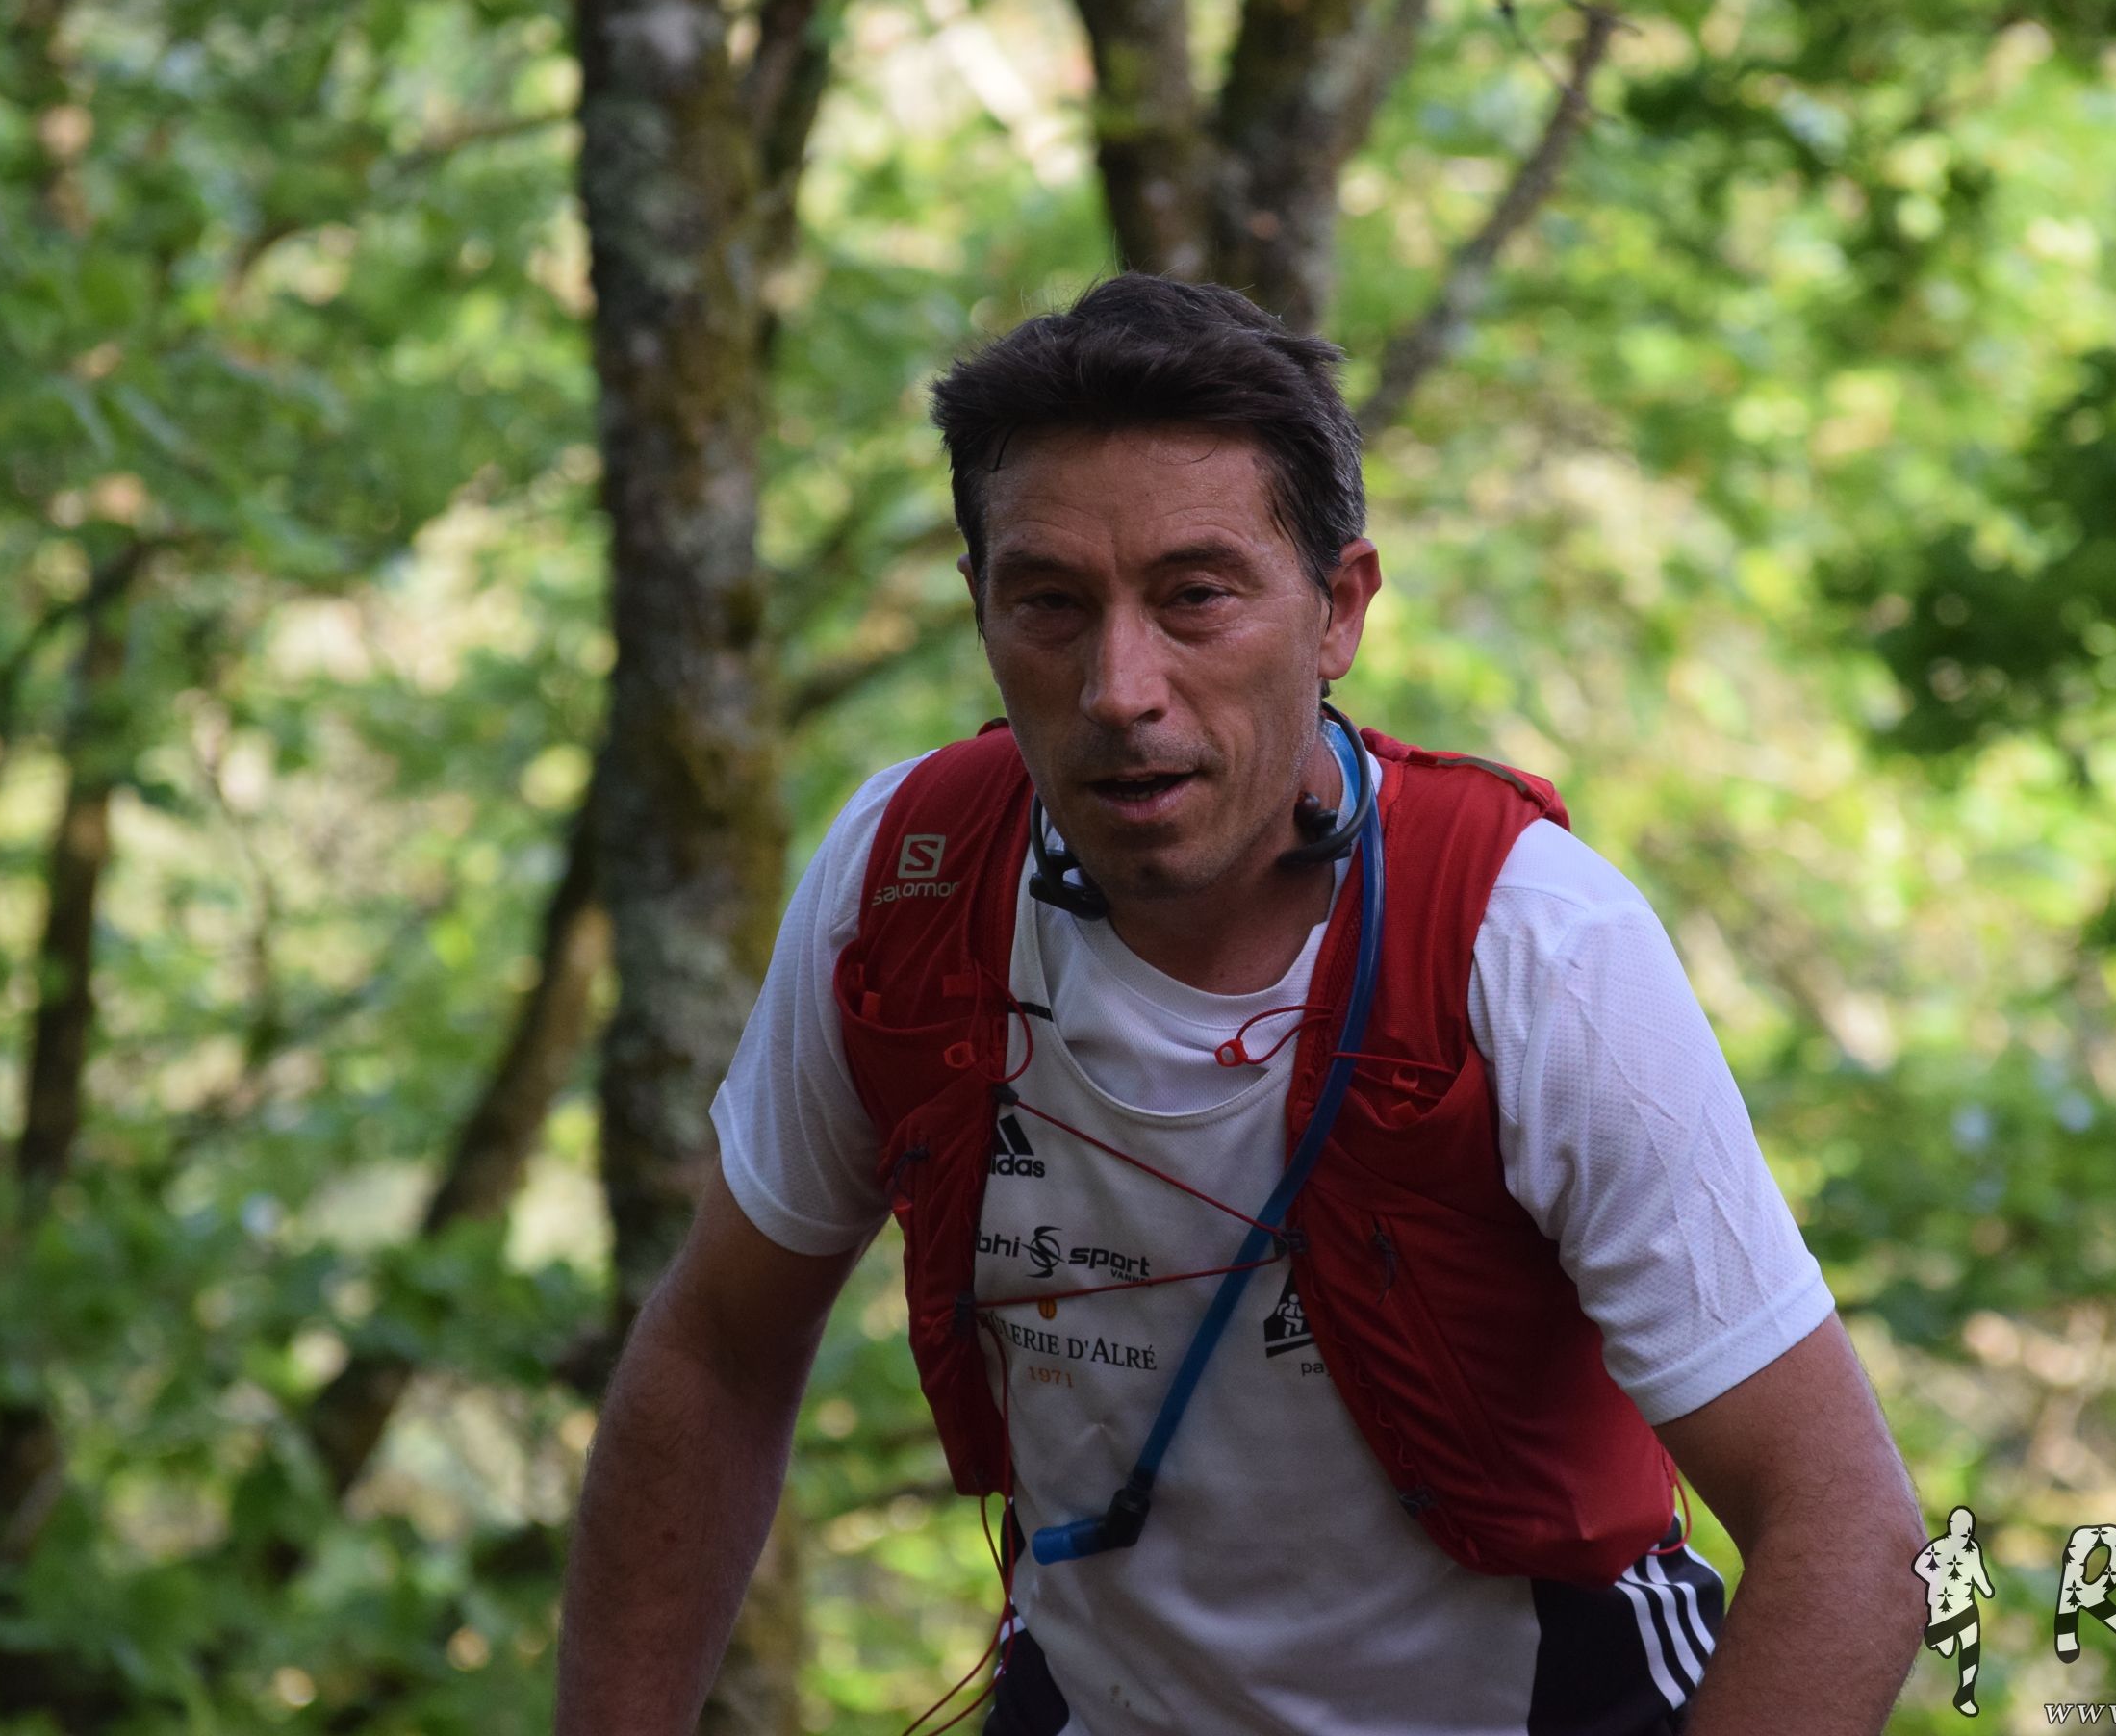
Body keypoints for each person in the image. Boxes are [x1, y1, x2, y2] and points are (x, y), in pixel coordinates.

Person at [556, 275, 1927, 1735]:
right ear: (980, 611)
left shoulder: (1533, 945)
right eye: (1050, 603)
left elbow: (1851, 1537)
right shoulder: (907, 881)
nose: (1120, 688)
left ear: (1338, 610)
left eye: (1196, 596)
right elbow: (715, 1354)